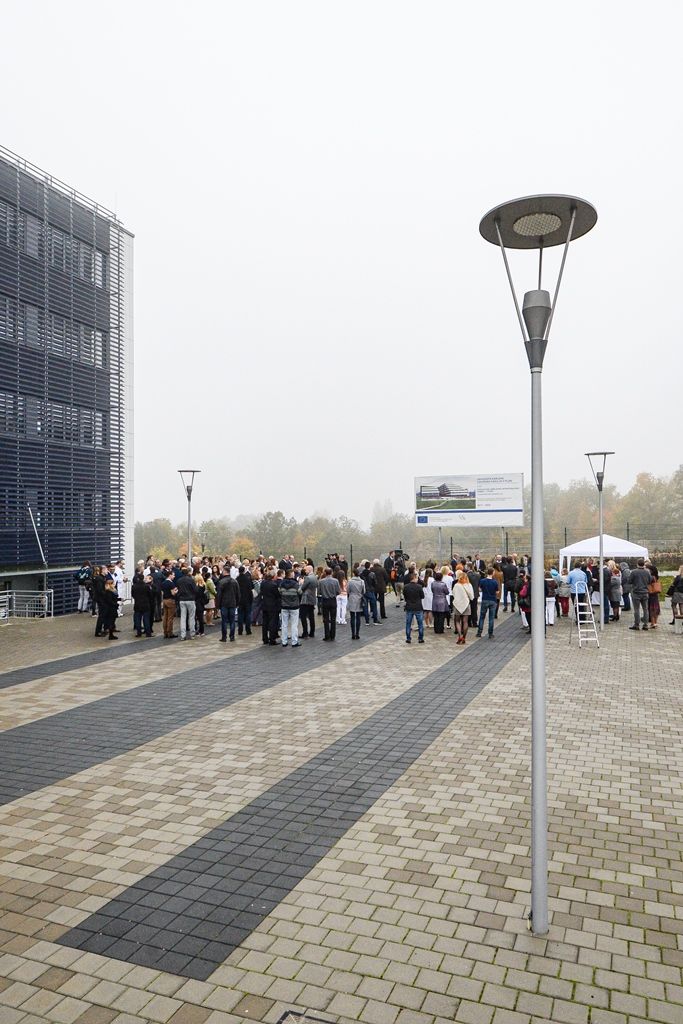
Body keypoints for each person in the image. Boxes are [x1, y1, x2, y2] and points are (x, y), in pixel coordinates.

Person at [216, 566, 240, 642]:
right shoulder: (235, 581)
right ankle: (232, 636)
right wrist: (237, 602)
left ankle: (224, 637)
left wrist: (218, 605)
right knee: (232, 621)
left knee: (224, 621)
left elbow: (219, 595)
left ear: (225, 572)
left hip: (224, 603)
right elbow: (238, 594)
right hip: (232, 603)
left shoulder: (221, 582)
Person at [279, 569, 301, 647]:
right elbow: (300, 592)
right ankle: (294, 641)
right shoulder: (296, 584)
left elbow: (280, 592)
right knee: (294, 624)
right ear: (291, 574)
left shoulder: (282, 583)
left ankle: (284, 641)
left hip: (284, 605)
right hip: (294, 606)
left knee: (284, 624)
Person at [628, 558, 652, 631]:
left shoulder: (634, 572)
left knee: (636, 609)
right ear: (644, 564)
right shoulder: (647, 572)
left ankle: (637, 624)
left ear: (637, 564)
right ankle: (645, 625)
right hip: (645, 592)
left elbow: (629, 581)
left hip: (636, 592)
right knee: (645, 609)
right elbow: (650, 581)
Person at [260, 568, 281, 645]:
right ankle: (272, 639)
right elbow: (277, 595)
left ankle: (265, 638)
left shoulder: (263, 583)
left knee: (265, 622)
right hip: (273, 605)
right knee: (273, 622)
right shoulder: (274, 585)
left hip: (264, 604)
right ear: (273, 576)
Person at [319, 567, 341, 640]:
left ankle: (327, 635)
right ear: (331, 572)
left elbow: (319, 592)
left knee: (325, 619)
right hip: (333, 600)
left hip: (325, 600)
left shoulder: (321, 581)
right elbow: (338, 592)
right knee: (333, 619)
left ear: (325, 572)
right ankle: (333, 635)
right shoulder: (336, 581)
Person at [452, 570, 474, 644]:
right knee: (465, 621)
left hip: (457, 604)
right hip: (466, 604)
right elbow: (472, 597)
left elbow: (453, 594)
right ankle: (464, 637)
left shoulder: (456, 585)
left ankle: (459, 636)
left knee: (457, 621)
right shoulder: (469, 585)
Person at [477, 567, 499, 639]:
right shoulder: (495, 582)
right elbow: (497, 591)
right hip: (493, 600)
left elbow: (479, 589)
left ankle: (479, 632)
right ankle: (490, 633)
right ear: (492, 573)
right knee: (491, 618)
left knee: (482, 617)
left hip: (485, 599)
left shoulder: (482, 581)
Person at [175, 568, 197, 640]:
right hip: (190, 599)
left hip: (182, 599)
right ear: (188, 573)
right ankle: (192, 634)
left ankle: (183, 635)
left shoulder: (179, 581)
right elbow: (195, 590)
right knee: (191, 617)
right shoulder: (191, 580)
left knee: (183, 618)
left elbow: (177, 589)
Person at [403, 572, 425, 643]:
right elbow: (422, 596)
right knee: (420, 623)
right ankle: (420, 638)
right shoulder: (419, 587)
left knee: (408, 623)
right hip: (418, 606)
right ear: (414, 578)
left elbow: (405, 596)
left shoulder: (406, 587)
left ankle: (408, 638)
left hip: (409, 606)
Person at [131, 573, 154, 637]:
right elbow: (150, 595)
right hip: (146, 604)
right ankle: (148, 633)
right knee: (146, 619)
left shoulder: (134, 586)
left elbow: (133, 595)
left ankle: (139, 633)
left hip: (137, 604)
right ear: (143, 578)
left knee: (138, 619)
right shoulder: (146, 586)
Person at [347, 570, 365, 640]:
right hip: (359, 599)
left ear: (353, 574)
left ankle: (352, 634)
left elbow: (348, 590)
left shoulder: (350, 581)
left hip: (352, 598)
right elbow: (364, 591)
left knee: (352, 617)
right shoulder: (362, 581)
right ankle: (357, 634)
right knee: (358, 617)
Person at [161, 569, 179, 639]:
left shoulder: (163, 583)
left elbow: (162, 592)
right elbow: (173, 593)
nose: (174, 576)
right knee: (170, 618)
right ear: (170, 575)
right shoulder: (171, 583)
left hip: (165, 600)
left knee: (165, 617)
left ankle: (165, 632)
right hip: (170, 600)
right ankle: (170, 632)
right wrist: (177, 590)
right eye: (173, 575)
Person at [237, 565, 253, 636]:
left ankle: (240, 630)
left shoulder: (237, 579)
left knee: (240, 615)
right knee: (248, 615)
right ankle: (248, 630)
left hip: (240, 599)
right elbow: (250, 589)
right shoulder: (247, 579)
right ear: (244, 571)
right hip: (247, 599)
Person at [467, 563, 481, 629]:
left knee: (468, 608)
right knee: (474, 608)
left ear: (468, 567)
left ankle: (469, 622)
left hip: (468, 594)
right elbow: (478, 585)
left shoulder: (466, 575)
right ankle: (474, 622)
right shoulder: (478, 575)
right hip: (475, 593)